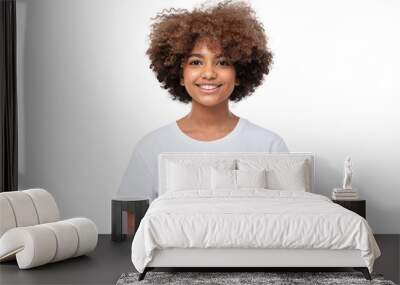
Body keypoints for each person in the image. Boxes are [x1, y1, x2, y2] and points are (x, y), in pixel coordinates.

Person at [117, 1, 289, 200]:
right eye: (196, 62)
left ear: (239, 73)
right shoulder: (152, 147)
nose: (208, 73)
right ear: (180, 74)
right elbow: (129, 225)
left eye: (222, 62)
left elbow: (289, 219)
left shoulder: (268, 145)